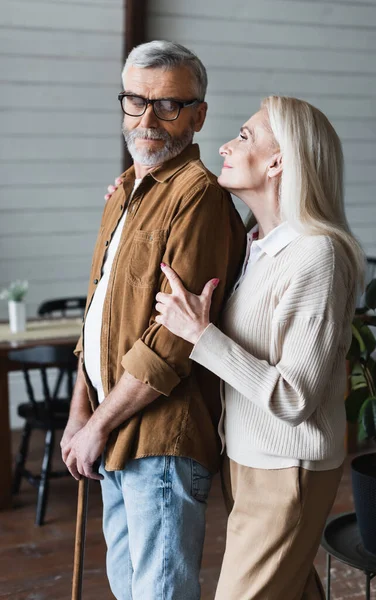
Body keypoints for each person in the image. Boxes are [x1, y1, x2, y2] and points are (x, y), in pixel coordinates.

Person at [154, 95, 365, 599]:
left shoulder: (317, 255)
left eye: (244, 136)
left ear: (279, 161)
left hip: (286, 466)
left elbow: (296, 398)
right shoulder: (258, 243)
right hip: (250, 459)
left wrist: (203, 338)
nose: (225, 145)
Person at [60, 40, 246, 600]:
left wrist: (95, 426)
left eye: (167, 104)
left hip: (160, 441)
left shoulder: (199, 198)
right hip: (114, 428)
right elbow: (97, 321)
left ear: (198, 115)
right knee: (129, 588)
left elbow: (171, 341)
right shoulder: (122, 195)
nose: (148, 118)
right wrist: (79, 414)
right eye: (136, 100)